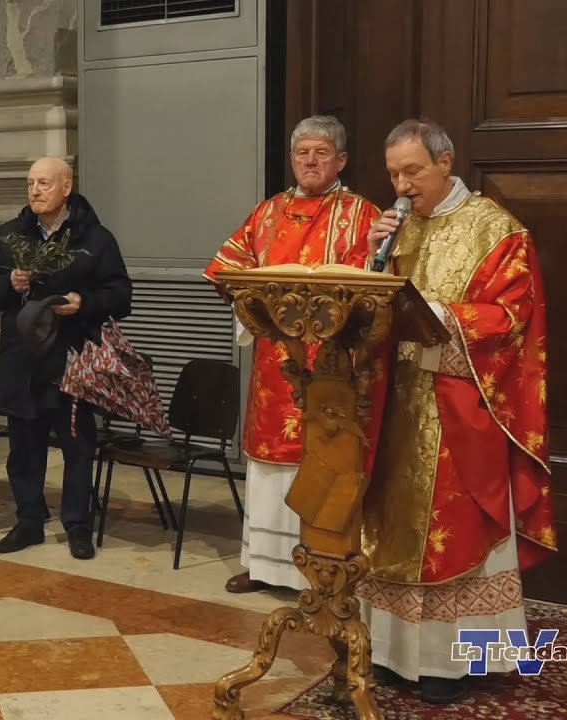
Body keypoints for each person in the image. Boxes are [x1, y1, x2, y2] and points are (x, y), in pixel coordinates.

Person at [358, 118, 556, 705]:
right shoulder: (398, 231)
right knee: (392, 527)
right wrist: (374, 260)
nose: (401, 183)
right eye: (394, 172)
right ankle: (394, 653)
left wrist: (443, 318)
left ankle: (459, 661)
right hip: (400, 404)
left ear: (446, 162)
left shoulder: (496, 229)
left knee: (457, 531)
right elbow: (374, 307)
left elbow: (513, 316)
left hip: (462, 404)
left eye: (412, 171)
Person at [201, 115, 382, 594]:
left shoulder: (363, 215)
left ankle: (323, 566)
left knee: (323, 455)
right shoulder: (269, 212)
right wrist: (244, 293)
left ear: (341, 160)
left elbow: (379, 281)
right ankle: (265, 563)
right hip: (277, 362)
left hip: (332, 366)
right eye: (302, 152)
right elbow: (229, 267)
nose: (310, 161)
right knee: (269, 462)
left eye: (321, 152)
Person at [0, 157, 132, 560]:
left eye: (43, 183)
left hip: (73, 359)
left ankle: (78, 525)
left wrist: (85, 303)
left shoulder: (95, 238)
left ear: (66, 187)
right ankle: (28, 521)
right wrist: (9, 283)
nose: (34, 191)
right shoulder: (11, 235)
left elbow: (121, 295)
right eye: (30, 183)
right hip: (23, 360)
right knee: (24, 448)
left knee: (77, 446)